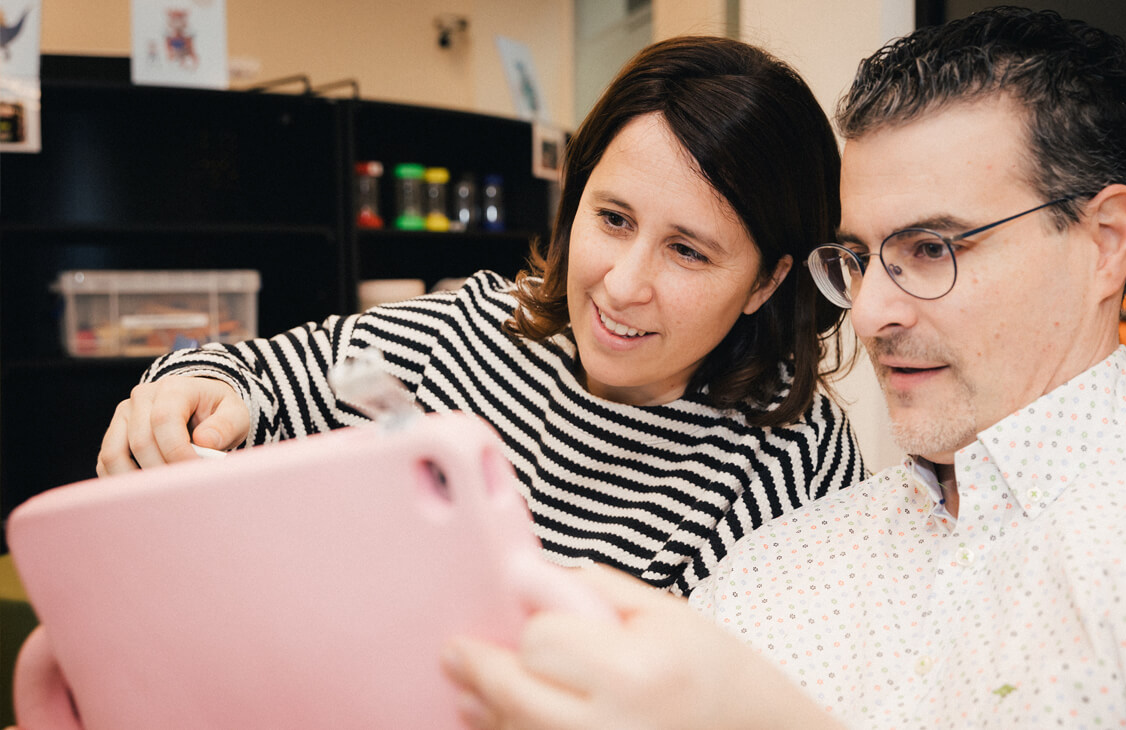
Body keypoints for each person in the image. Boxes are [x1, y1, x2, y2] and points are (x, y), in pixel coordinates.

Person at [440, 7, 1126, 728]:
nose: (872, 310)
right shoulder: (776, 565)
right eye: (858, 257)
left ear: (1104, 244)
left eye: (930, 248)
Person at [94, 35, 867, 596]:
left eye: (688, 252)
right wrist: (191, 389)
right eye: (614, 219)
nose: (623, 285)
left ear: (767, 281)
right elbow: (272, 377)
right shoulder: (470, 337)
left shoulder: (787, 460)